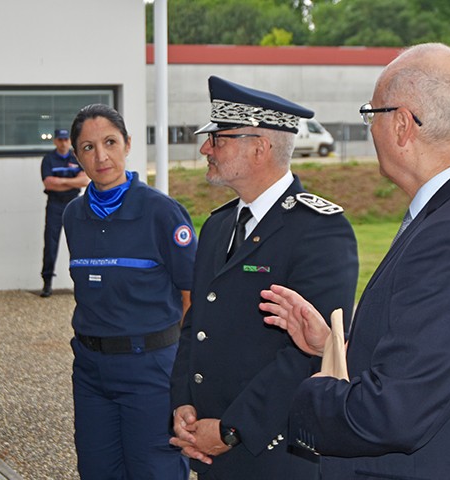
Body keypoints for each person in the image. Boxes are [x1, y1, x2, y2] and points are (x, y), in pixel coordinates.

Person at [259, 43, 450, 479]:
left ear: (400, 124)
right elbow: (438, 360)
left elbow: (392, 414)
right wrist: (333, 350)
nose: (369, 129)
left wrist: (309, 397)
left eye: (369, 115)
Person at [169, 76, 359, 479]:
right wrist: (184, 404)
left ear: (259, 147)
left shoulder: (320, 230)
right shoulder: (219, 226)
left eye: (218, 139)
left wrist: (232, 429)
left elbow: (311, 353)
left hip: (272, 453)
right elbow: (195, 326)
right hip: (209, 444)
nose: (206, 148)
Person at [62, 103, 196, 479]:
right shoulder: (74, 216)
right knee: (97, 469)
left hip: (150, 370)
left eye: (110, 142)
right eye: (88, 147)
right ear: (77, 156)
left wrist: (184, 375)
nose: (101, 156)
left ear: (128, 144)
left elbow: (193, 299)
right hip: (90, 371)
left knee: (155, 470)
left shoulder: (163, 213)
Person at [39, 128, 89, 297]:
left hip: (74, 203)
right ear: (55, 141)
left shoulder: (76, 158)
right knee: (51, 244)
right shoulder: (48, 159)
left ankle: (80, 283)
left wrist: (61, 181)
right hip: (55, 204)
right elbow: (48, 184)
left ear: (70, 141)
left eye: (66, 139)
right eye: (60, 140)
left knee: (78, 244)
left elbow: (84, 180)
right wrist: (72, 182)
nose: (63, 143)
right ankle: (47, 283)